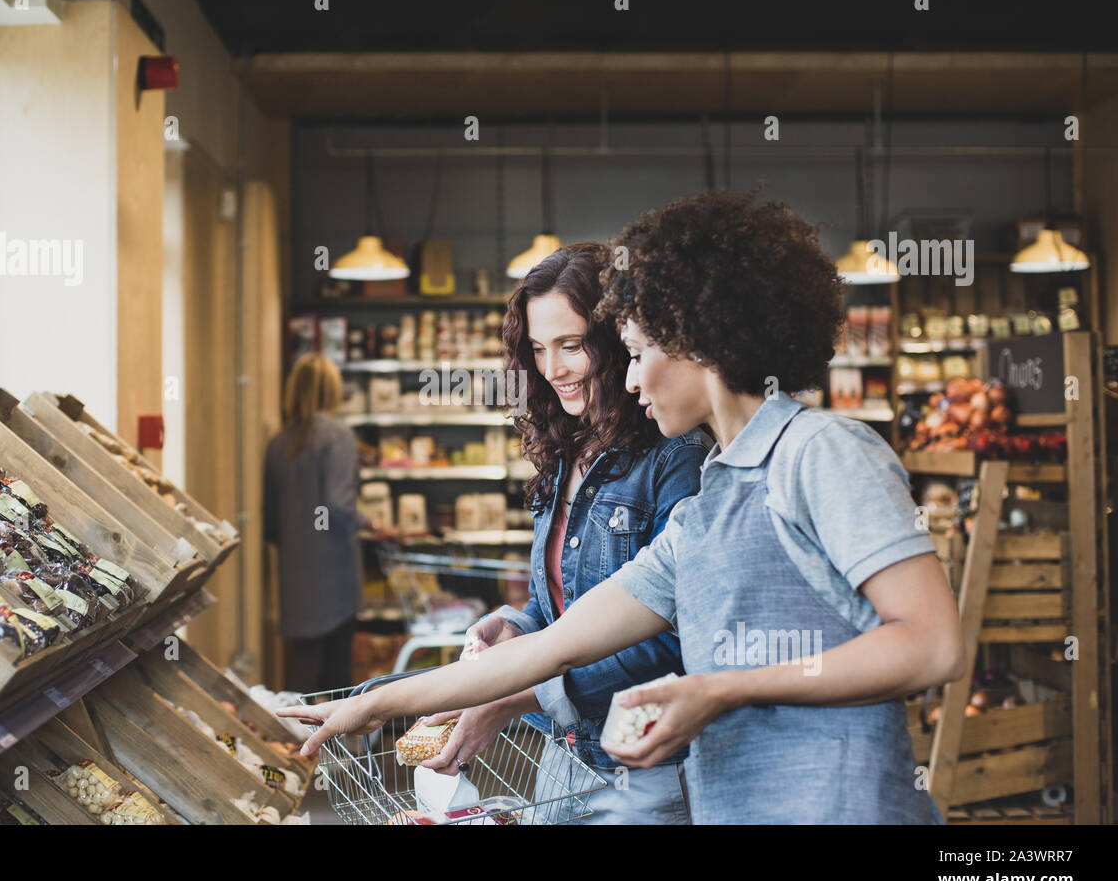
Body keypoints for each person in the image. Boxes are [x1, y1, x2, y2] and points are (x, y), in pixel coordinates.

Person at [279, 191, 965, 824]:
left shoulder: (824, 451)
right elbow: (548, 649)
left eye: (635, 353)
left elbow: (931, 643)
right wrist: (370, 704)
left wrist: (723, 689)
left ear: (697, 337)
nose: (629, 378)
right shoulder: (708, 506)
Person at [417, 242, 709, 824]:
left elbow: (672, 641)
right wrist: (517, 627)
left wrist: (513, 694)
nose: (553, 371)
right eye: (539, 349)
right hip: (567, 757)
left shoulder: (677, 457)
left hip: (650, 768)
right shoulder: (564, 448)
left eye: (571, 346)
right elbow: (567, 612)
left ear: (614, 340)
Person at [264, 352, 364, 693]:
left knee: (302, 666)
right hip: (332, 570)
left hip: (294, 572)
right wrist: (373, 526)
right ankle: (336, 743)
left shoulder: (279, 443)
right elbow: (340, 503)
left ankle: (292, 741)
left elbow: (271, 523)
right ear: (330, 391)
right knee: (337, 670)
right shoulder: (338, 436)